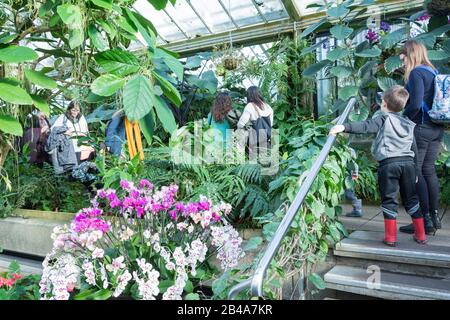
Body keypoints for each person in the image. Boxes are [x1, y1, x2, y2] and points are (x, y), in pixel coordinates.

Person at [330, 85, 426, 247]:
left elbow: (366, 126)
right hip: (408, 164)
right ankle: (421, 234)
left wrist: (344, 127)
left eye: (382, 100)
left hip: (389, 164)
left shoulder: (383, 119)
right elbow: (414, 148)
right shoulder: (409, 123)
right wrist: (416, 170)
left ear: (384, 104)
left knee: (389, 199)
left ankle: (390, 237)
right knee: (411, 198)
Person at [399, 40, 444, 235]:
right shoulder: (432, 71)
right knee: (429, 172)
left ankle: (423, 220)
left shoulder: (417, 73)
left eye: (404, 59)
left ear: (411, 55)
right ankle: (433, 217)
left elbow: (415, 104)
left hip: (421, 128)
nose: (402, 63)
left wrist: (403, 117)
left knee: (416, 173)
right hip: (436, 128)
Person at [237, 86, 274, 152]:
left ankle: (239, 154)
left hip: (254, 136)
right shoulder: (268, 106)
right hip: (266, 135)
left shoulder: (250, 106)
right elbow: (270, 124)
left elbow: (241, 124)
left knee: (240, 132)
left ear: (249, 95)